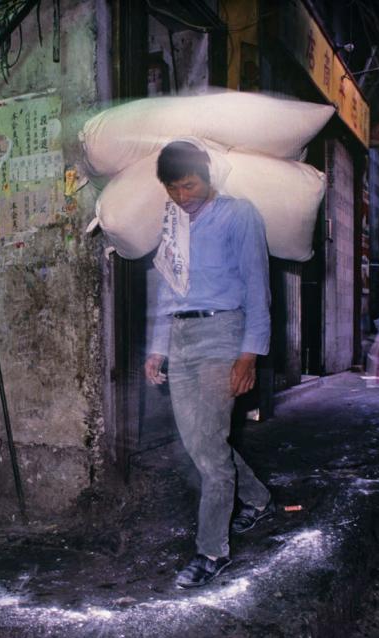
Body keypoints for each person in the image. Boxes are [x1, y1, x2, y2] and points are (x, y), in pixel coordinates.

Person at [144, 140, 274, 589]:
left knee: (209, 447)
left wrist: (249, 355)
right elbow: (167, 290)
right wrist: (157, 347)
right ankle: (257, 498)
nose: (184, 197)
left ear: (207, 176)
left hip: (223, 334)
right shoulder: (174, 223)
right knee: (200, 442)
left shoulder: (240, 215)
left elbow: (258, 288)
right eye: (174, 189)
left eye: (190, 185)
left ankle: (211, 550)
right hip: (180, 336)